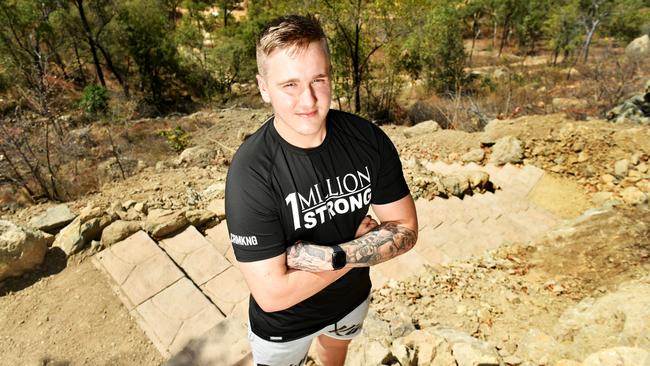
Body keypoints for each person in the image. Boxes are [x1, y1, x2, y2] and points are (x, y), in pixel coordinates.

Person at [225, 14, 418, 366]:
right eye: (290, 85)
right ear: (263, 87)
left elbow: (405, 229)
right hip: (284, 324)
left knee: (335, 354)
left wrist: (328, 256)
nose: (308, 99)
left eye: (318, 79)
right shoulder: (250, 174)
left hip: (351, 301)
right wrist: (353, 254)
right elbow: (272, 295)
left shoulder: (367, 140)